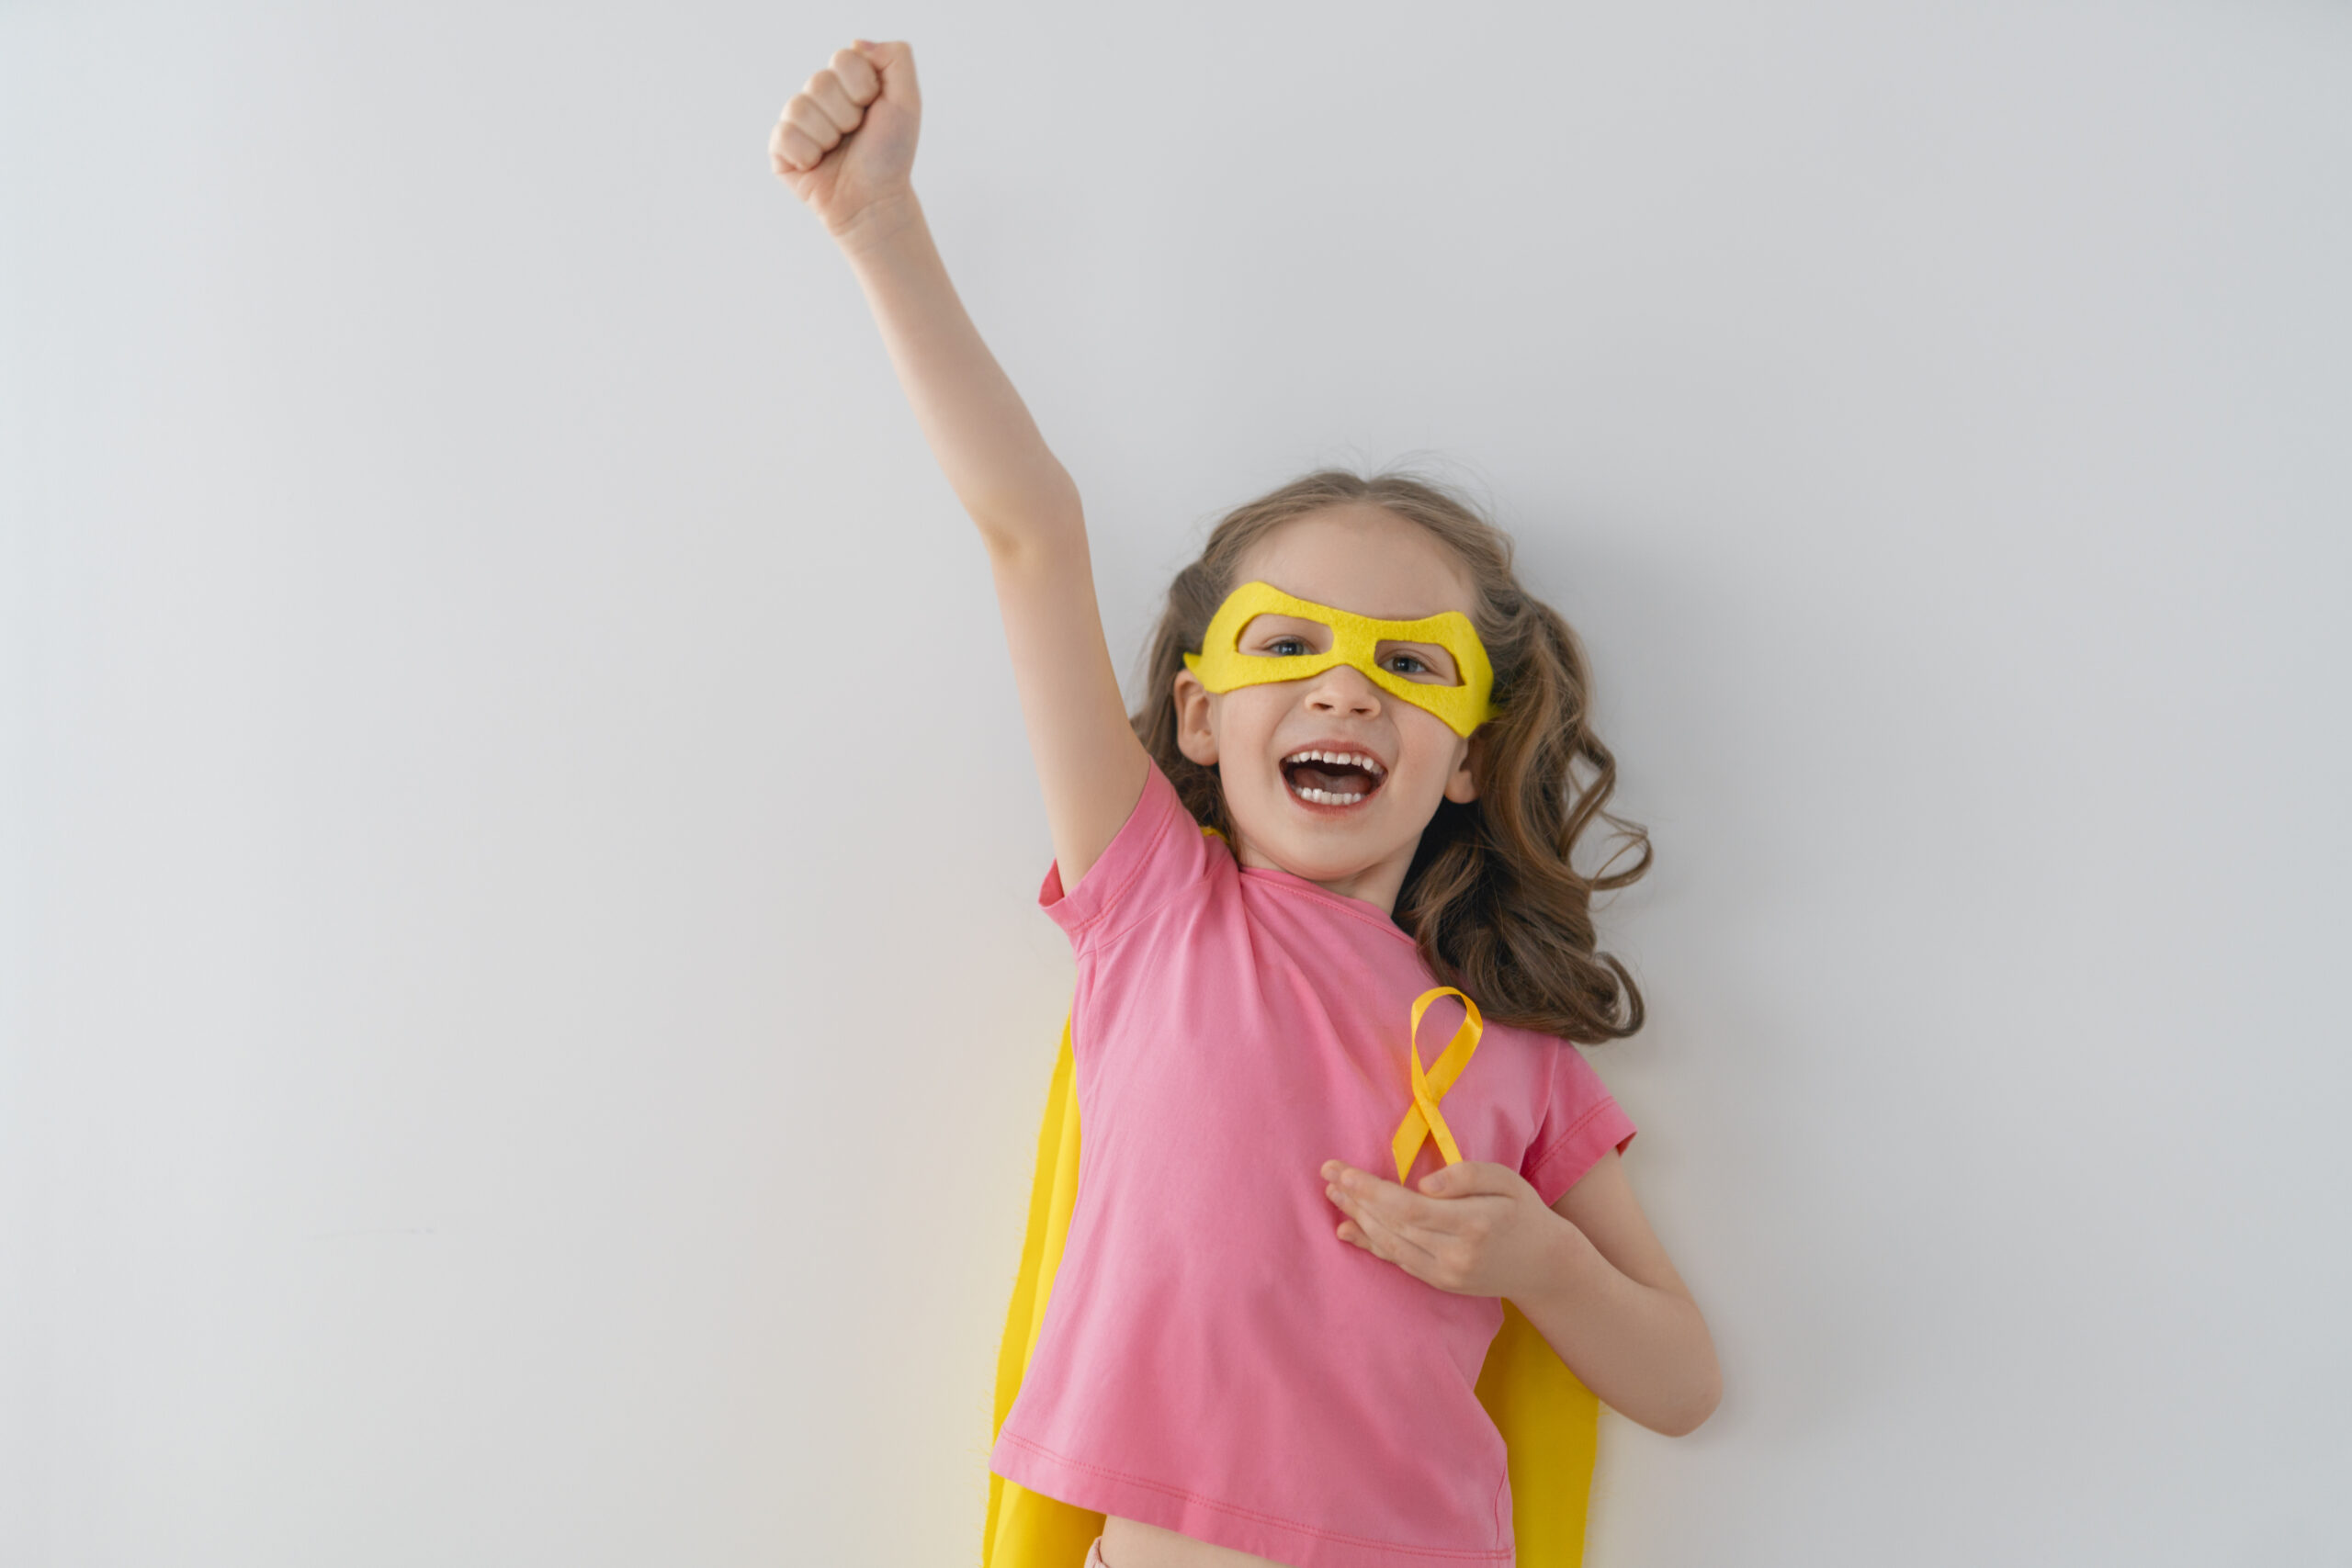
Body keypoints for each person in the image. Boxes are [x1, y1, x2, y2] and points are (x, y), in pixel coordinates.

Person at [769, 39, 1721, 1568]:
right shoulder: (1157, 907)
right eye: (1289, 649)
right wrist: (880, 226)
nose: (1345, 691)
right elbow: (1031, 533)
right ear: (1201, 717)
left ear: (1471, 756)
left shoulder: (1517, 1053)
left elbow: (1682, 1383)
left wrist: (1541, 1262)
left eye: (1408, 665)